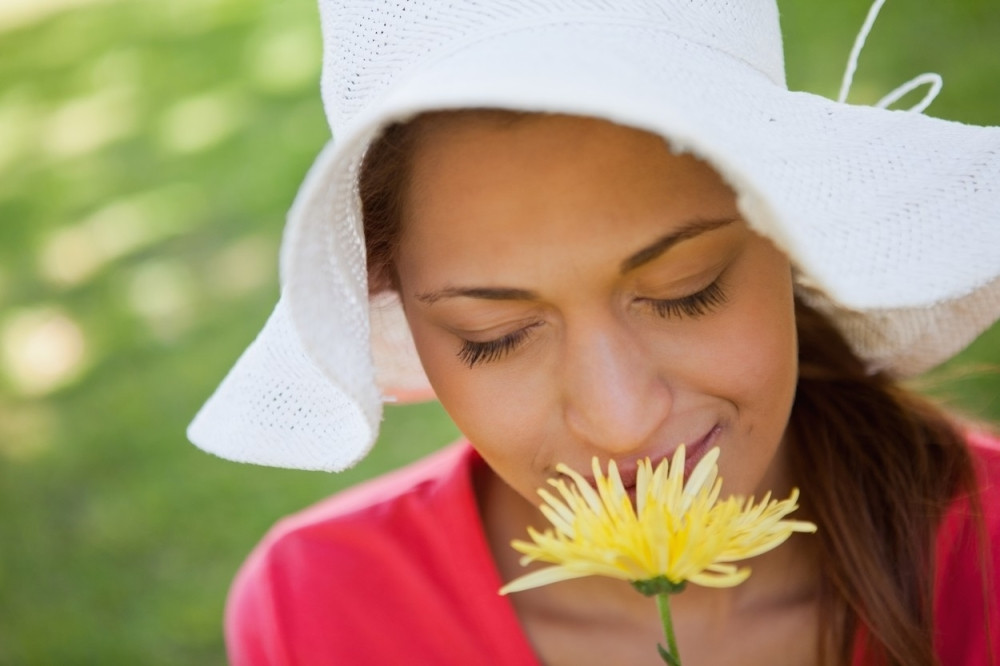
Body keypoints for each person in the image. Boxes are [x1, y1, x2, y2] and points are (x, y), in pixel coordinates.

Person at [187, 0, 1000, 664]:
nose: (620, 421)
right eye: (494, 334)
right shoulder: (320, 613)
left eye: (688, 292)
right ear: (395, 301)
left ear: (788, 234)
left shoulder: (983, 551)